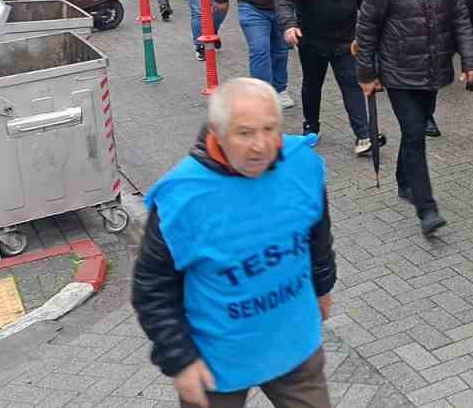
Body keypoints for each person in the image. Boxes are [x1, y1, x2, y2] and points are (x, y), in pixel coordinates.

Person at [132, 78, 337, 408]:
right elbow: (151, 287)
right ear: (218, 132)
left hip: (292, 342)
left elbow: (317, 233)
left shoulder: (302, 165)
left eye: (270, 129)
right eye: (245, 133)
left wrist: (323, 286)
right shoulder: (182, 200)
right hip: (216, 361)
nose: (260, 145)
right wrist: (179, 360)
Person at [355, 0, 473, 236]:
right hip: (398, 73)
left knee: (415, 131)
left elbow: (461, 18)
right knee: (414, 134)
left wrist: (470, 61)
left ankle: (403, 181)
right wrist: (367, 73)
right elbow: (367, 30)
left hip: (434, 70)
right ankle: (427, 208)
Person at [276, 0, 368, 148]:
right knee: (312, 84)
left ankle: (363, 134)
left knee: (351, 83)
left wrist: (368, 26)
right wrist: (289, 24)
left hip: (346, 39)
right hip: (312, 39)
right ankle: (311, 127)